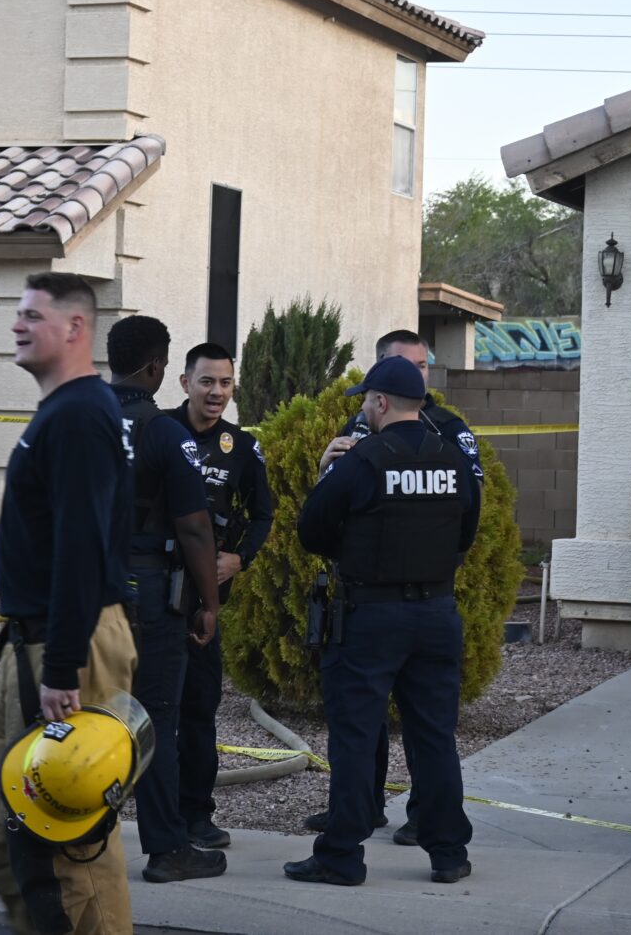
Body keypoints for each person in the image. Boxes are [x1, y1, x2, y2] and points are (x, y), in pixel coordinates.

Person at [0, 272, 138, 935]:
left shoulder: (81, 416)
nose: (17, 324)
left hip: (70, 646)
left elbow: (81, 549)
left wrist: (62, 667)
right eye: (19, 313)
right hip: (36, 641)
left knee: (69, 840)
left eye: (33, 315)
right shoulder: (66, 411)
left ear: (75, 328)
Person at [284, 356, 480, 886]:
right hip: (436, 613)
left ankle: (341, 856)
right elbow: (465, 533)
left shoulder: (363, 459)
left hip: (370, 616)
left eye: (367, 401)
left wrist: (326, 473)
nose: (365, 410)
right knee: (434, 736)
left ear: (382, 402)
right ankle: (448, 853)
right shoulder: (454, 458)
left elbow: (312, 531)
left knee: (354, 735)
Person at [107, 315, 227, 884]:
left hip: (83, 589)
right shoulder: (164, 433)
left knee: (84, 712)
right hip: (148, 591)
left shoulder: (74, 419)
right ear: (157, 368)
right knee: (154, 718)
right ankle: (167, 847)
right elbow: (196, 528)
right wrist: (210, 603)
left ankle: (74, 835)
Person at [166, 342, 273, 849]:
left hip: (202, 605)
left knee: (198, 709)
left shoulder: (243, 447)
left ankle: (196, 815)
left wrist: (240, 558)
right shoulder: (158, 432)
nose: (216, 392)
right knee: (144, 708)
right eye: (207, 381)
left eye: (225, 383)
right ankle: (148, 810)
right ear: (185, 382)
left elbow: (263, 515)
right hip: (152, 598)